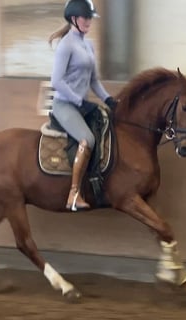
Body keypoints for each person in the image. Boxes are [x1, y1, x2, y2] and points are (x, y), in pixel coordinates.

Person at [48, 0, 117, 211]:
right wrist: (79, 100)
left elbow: (93, 80)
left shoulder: (88, 45)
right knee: (87, 139)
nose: (89, 22)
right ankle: (73, 194)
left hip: (81, 104)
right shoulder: (66, 45)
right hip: (65, 105)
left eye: (90, 18)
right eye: (85, 18)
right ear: (74, 19)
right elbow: (56, 81)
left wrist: (108, 99)